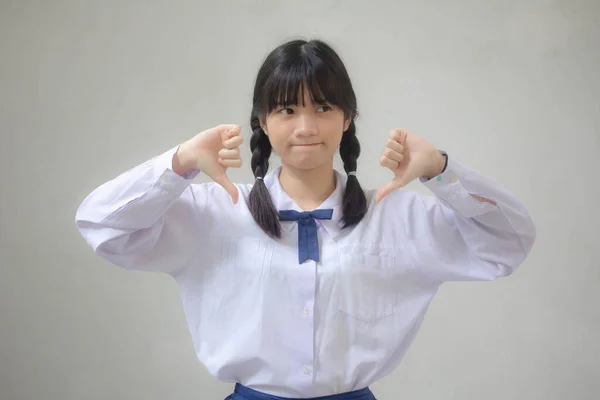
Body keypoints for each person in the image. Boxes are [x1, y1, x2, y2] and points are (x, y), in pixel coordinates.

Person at [75, 39, 536, 400]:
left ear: (347, 118)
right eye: (286, 110)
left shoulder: (395, 216)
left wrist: (442, 170)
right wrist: (178, 164)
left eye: (323, 107)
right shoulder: (216, 212)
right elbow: (102, 224)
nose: (305, 128)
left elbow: (507, 243)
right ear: (262, 120)